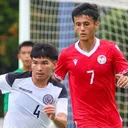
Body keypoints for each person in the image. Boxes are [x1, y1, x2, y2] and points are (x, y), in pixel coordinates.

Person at [53, 3, 128, 128]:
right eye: (78, 24)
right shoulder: (66, 55)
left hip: (111, 119)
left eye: (86, 24)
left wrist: (126, 77)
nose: (82, 28)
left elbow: (125, 73)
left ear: (96, 25)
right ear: (74, 26)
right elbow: (54, 82)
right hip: (84, 119)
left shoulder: (111, 49)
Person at [1, 43, 68, 128]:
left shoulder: (59, 89)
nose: (39, 68)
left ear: (54, 64)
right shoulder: (14, 79)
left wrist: (54, 118)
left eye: (44, 63)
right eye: (35, 63)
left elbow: (63, 123)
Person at [4, 41, 34, 116]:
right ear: (19, 56)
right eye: (23, 53)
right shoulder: (12, 76)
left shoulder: (42, 75)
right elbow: (7, 100)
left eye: (29, 53)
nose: (27, 56)